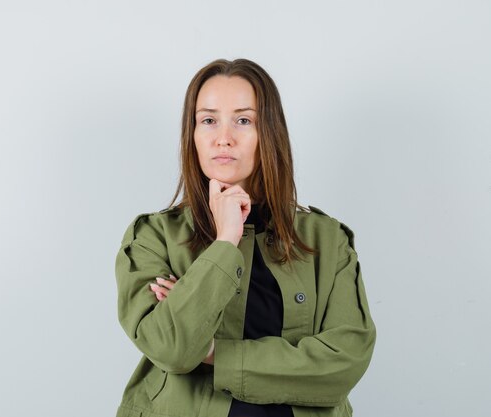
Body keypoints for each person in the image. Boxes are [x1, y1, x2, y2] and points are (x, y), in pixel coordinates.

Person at [114, 58, 376, 417]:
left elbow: (344, 363)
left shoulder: (327, 241)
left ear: (268, 132)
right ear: (192, 135)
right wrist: (225, 241)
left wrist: (212, 353)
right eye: (208, 120)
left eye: (243, 120)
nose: (224, 137)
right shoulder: (154, 237)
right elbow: (172, 348)